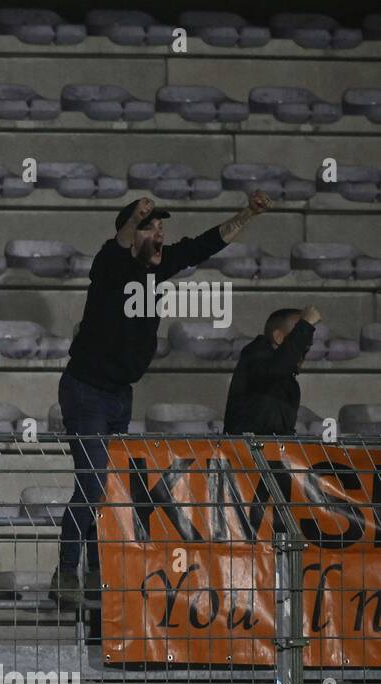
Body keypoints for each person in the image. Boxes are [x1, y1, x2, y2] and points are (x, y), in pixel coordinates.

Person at [50, 191, 272, 608]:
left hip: (119, 395)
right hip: (87, 391)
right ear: (132, 235)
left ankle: (98, 573)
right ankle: (65, 571)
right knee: (93, 480)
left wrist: (249, 214)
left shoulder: (158, 268)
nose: (159, 234)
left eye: (161, 228)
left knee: (111, 486)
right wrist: (137, 213)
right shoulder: (111, 264)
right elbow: (119, 242)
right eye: (151, 228)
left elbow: (206, 243)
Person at [223, 306, 320, 435]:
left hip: (269, 452)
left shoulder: (288, 381)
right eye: (300, 341)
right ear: (279, 337)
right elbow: (278, 366)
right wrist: (305, 324)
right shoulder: (255, 357)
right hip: (246, 452)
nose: (305, 344)